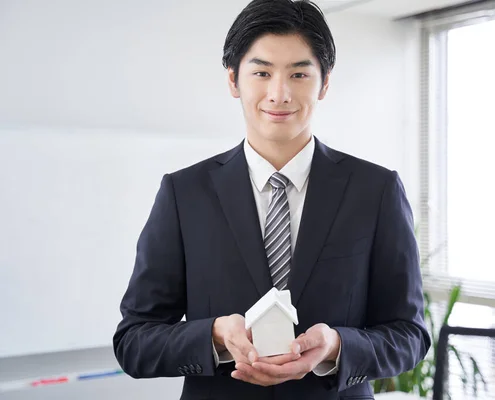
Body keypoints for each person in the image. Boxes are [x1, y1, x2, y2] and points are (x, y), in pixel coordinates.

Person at [112, 0, 430, 399]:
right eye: (261, 72)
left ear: (325, 83)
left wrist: (336, 347)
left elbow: (410, 335)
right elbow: (134, 341)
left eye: (299, 73)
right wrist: (212, 336)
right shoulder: (184, 193)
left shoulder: (375, 190)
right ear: (233, 80)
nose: (279, 94)